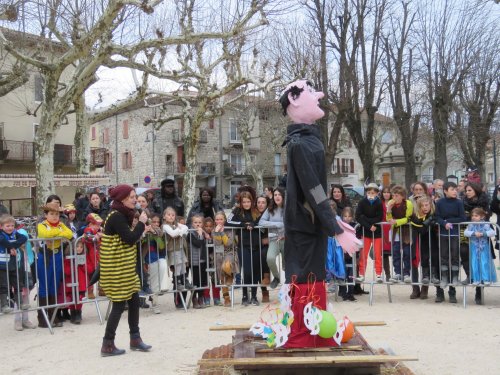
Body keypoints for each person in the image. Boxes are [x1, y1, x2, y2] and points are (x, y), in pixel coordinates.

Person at [279, 79, 357, 348]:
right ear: (295, 99)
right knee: (304, 276)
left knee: (314, 275)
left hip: (310, 225)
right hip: (304, 227)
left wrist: (333, 222)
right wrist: (335, 228)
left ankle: (312, 331)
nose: (319, 95)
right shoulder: (300, 144)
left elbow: (316, 191)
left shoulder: (306, 141)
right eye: (312, 92)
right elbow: (313, 190)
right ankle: (304, 333)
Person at [100, 184, 152, 357]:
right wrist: (142, 224)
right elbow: (129, 239)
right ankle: (107, 344)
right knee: (119, 305)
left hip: (125, 267)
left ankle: (135, 339)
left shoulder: (124, 214)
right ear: (122, 199)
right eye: (131, 197)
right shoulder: (116, 216)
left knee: (135, 300)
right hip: (116, 268)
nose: (135, 200)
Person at [36, 201, 73, 328]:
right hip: (45, 255)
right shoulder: (42, 225)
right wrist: (59, 232)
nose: (54, 216)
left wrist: (57, 232)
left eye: (57, 214)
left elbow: (69, 234)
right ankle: (42, 317)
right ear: (46, 215)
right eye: (51, 213)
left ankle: (53, 316)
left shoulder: (62, 224)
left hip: (57, 255)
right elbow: (45, 234)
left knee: (54, 285)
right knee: (44, 285)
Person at [227, 191, 262, 306]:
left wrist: (253, 224)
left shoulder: (256, 211)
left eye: (248, 201)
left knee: (255, 272)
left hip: (256, 244)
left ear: (252, 202)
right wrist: (242, 225)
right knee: (246, 271)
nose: (246, 204)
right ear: (241, 202)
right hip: (243, 245)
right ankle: (244, 296)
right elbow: (228, 221)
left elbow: (261, 221)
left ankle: (254, 296)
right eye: (244, 202)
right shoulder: (237, 211)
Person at [434, 181, 466, 304]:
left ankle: (453, 286)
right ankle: (444, 278)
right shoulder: (440, 202)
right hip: (442, 234)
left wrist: (449, 221)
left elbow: (462, 218)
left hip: (454, 234)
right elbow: (437, 216)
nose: (455, 191)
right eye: (452, 189)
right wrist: (444, 223)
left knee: (454, 257)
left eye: (456, 189)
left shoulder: (458, 202)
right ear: (445, 191)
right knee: (443, 257)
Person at [0, 215, 28, 322]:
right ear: (1, 227)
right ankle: (4, 305)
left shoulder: (15, 233)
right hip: (2, 265)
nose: (10, 228)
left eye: (12, 225)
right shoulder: (1, 234)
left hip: (13, 264)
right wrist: (11, 247)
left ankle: (20, 303)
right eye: (7, 226)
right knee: (3, 285)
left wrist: (13, 246)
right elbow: (3, 241)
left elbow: (24, 238)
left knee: (17, 283)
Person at [355, 183, 383, 283]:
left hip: (377, 231)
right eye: (369, 192)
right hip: (365, 231)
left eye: (373, 192)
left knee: (377, 253)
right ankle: (362, 274)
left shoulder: (379, 203)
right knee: (363, 254)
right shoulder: (362, 202)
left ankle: (379, 274)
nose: (371, 194)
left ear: (377, 193)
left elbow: (380, 217)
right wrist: (369, 225)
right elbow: (358, 216)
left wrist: (372, 224)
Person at [410, 196, 436, 300]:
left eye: (426, 205)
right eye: (422, 206)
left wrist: (429, 221)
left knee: (431, 257)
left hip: (432, 240)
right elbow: (420, 229)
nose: (424, 207)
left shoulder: (433, 215)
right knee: (419, 258)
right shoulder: (415, 216)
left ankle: (430, 280)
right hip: (419, 240)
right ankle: (419, 284)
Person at [259, 187, 285, 290]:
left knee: (286, 266)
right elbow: (261, 222)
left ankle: (289, 287)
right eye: (275, 195)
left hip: (286, 240)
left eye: (279, 195)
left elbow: (292, 224)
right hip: (274, 240)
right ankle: (277, 277)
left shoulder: (288, 208)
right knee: (270, 258)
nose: (277, 197)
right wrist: (277, 224)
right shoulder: (270, 209)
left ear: (283, 196)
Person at [387, 185, 414, 284]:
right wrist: (389, 210)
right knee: (395, 253)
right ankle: (397, 272)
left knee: (407, 253)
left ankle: (407, 273)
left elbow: (409, 218)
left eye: (397, 195)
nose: (394, 198)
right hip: (396, 232)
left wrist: (397, 222)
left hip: (406, 231)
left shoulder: (408, 204)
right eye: (393, 195)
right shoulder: (391, 203)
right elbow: (388, 219)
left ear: (402, 196)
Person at [162, 207, 193, 292]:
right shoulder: (165, 226)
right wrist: (180, 231)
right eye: (169, 215)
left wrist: (179, 231)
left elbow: (186, 227)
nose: (171, 216)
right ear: (164, 216)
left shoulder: (176, 225)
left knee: (183, 265)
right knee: (177, 266)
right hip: (172, 249)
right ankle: (177, 282)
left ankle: (185, 280)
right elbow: (172, 234)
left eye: (173, 215)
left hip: (180, 248)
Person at [213, 211, 238, 307]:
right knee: (221, 278)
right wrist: (216, 232)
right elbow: (217, 243)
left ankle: (230, 276)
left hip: (230, 252)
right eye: (217, 219)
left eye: (221, 219)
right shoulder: (214, 230)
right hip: (219, 253)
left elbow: (228, 243)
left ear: (225, 219)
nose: (219, 221)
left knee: (227, 265)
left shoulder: (230, 228)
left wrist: (221, 232)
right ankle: (226, 298)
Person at [142, 213, 166, 314]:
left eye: (158, 222)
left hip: (156, 257)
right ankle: (151, 300)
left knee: (161, 267)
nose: (156, 224)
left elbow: (161, 246)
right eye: (154, 221)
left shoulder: (159, 232)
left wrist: (155, 234)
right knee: (150, 281)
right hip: (145, 258)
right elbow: (141, 242)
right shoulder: (144, 230)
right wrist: (147, 232)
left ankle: (155, 302)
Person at [188, 214, 208, 309]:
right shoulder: (190, 233)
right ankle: (194, 299)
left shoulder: (203, 233)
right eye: (195, 222)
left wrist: (205, 235)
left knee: (202, 280)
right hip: (194, 261)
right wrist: (200, 235)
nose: (198, 224)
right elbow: (198, 244)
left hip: (202, 260)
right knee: (196, 280)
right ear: (192, 224)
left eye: (200, 222)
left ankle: (201, 297)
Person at [64, 241, 86, 324]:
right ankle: (73, 313)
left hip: (81, 283)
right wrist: (74, 265)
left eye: (81, 247)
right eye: (77, 246)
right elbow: (67, 271)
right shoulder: (68, 259)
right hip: (71, 283)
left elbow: (89, 268)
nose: (79, 249)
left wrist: (82, 265)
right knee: (72, 299)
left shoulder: (83, 257)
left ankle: (78, 313)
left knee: (79, 299)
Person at [83, 213, 103, 299]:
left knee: (101, 271)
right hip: (90, 255)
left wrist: (101, 235)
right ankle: (90, 291)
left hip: (98, 254)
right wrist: (96, 237)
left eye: (99, 225)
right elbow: (87, 237)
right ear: (90, 224)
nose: (98, 227)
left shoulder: (100, 230)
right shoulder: (88, 229)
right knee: (91, 272)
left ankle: (102, 289)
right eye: (96, 225)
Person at [339, 207, 356, 301]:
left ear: (352, 217)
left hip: (352, 254)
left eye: (349, 216)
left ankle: (351, 292)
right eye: (345, 216)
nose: (347, 218)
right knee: (342, 273)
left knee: (351, 274)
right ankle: (342, 291)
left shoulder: (355, 226)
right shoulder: (340, 226)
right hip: (342, 253)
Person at [380, 186, 393, 281]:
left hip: (392, 227)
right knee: (384, 253)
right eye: (384, 192)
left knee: (396, 252)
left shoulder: (394, 202)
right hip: (382, 228)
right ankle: (387, 274)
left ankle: (398, 273)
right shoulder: (379, 203)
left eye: (388, 192)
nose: (386, 194)